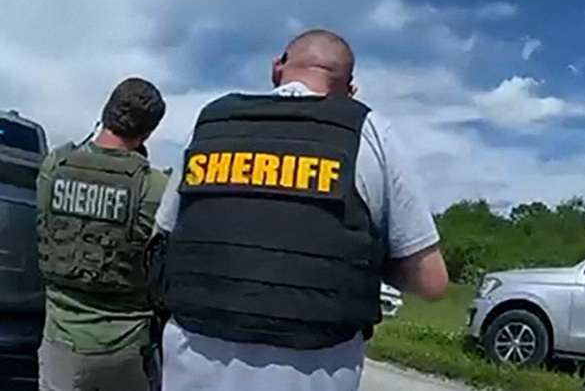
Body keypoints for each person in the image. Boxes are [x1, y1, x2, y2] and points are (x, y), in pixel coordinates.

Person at [147, 28, 449, 391]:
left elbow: (163, 236)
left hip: (193, 360)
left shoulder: (211, 122)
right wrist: (364, 261)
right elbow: (431, 281)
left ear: (277, 69)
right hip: (315, 368)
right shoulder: (370, 132)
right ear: (349, 90)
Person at [35, 77, 169, 391]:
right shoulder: (156, 188)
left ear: (106, 113)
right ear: (148, 132)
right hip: (127, 350)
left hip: (61, 343)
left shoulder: (53, 166)